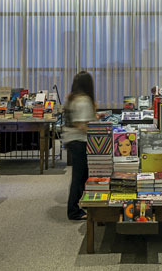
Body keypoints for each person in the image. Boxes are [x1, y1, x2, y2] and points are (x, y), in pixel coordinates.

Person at [64, 71, 97, 220]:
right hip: (79, 141)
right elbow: (81, 124)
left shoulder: (72, 98)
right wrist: (98, 130)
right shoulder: (83, 100)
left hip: (72, 140)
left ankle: (84, 203)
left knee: (83, 175)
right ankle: (73, 210)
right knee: (79, 177)